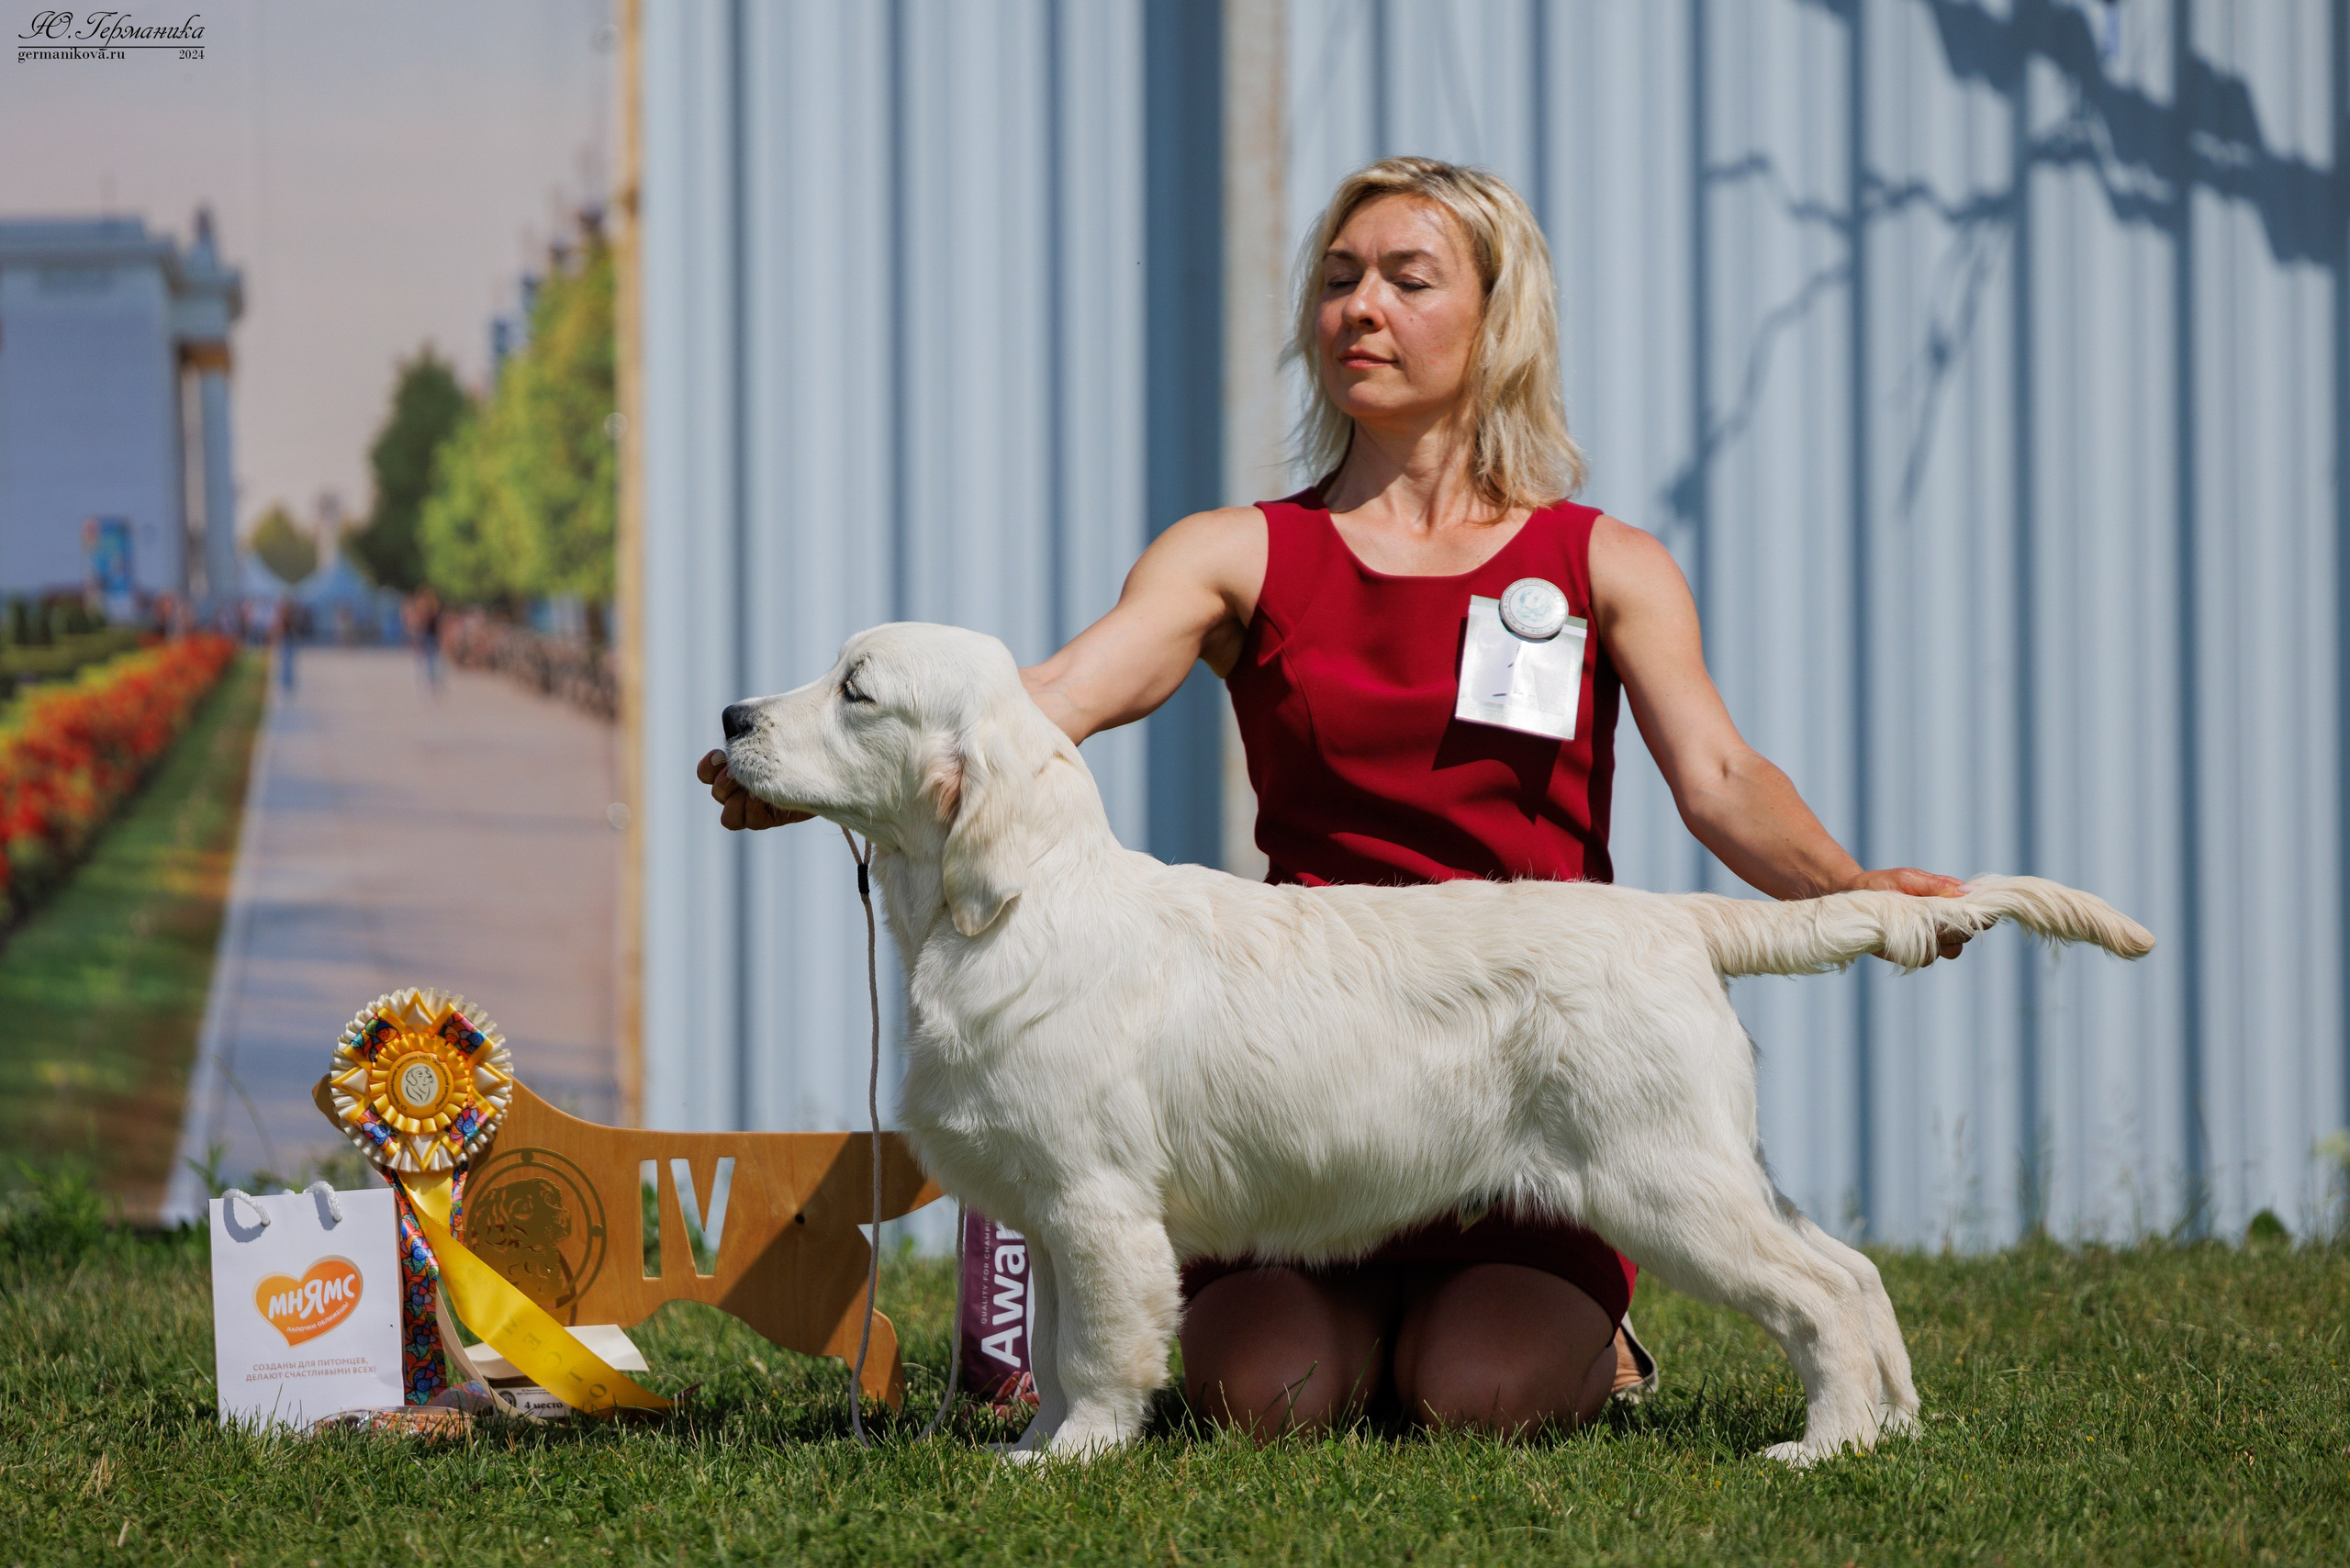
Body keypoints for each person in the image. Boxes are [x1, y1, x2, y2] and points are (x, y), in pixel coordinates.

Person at [697, 157, 1972, 1439]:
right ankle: (1362, 1328)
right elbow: (1034, 707)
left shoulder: (1602, 562)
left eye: (1408, 280)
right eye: (1338, 278)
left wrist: (1857, 893)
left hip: (1527, 1025)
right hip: (1298, 1074)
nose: (1361, 307)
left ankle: (1599, 1331)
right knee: (1263, 1399)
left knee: (1474, 1397)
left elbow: (1723, 779)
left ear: (1495, 317)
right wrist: (823, 772)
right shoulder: (1236, 553)